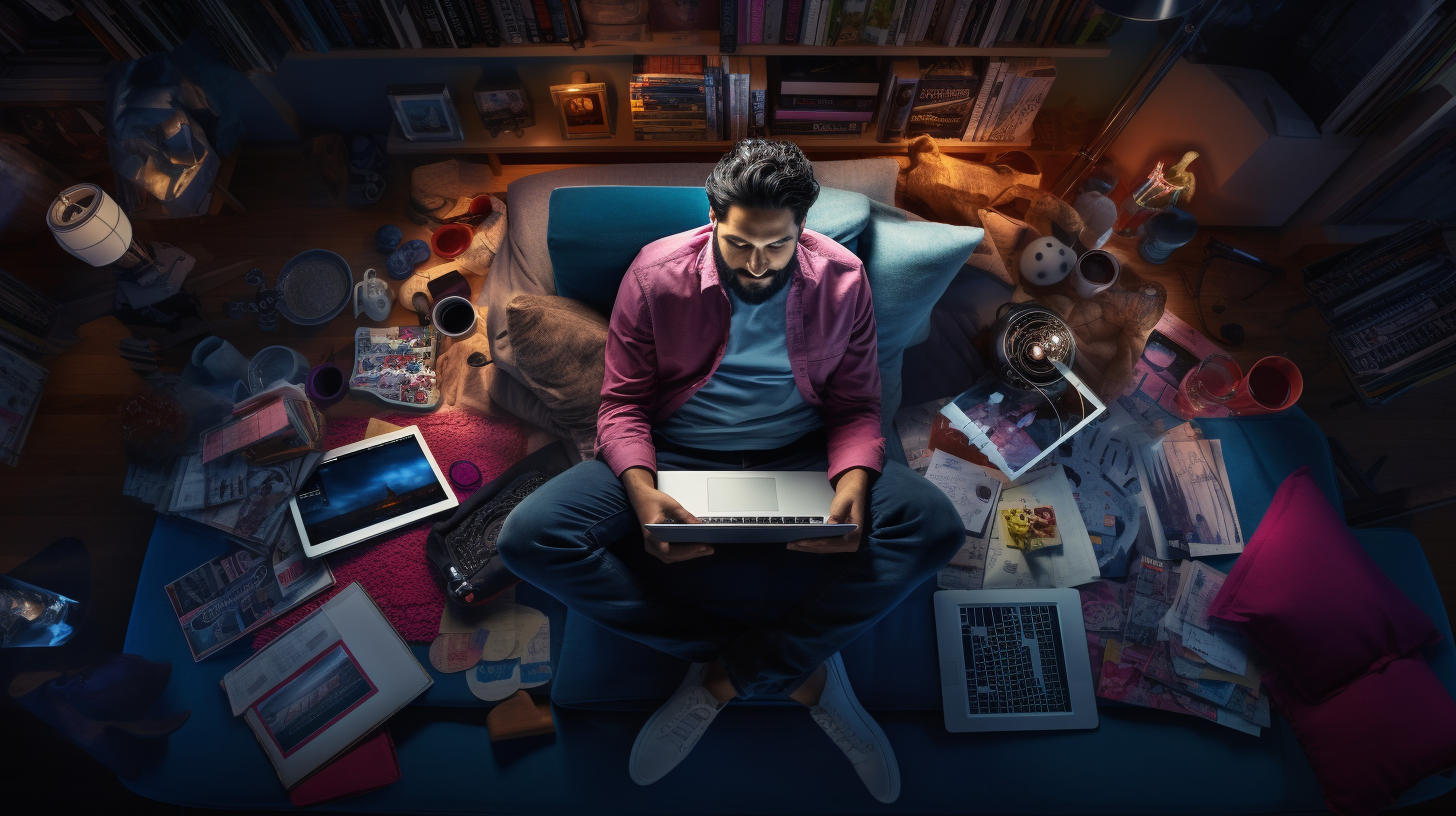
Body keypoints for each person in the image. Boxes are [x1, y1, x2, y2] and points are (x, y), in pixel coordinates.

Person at [498, 140, 962, 804]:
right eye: (739, 243)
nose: (755, 264)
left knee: (936, 525)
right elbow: (622, 404)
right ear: (713, 219)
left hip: (802, 449)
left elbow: (857, 405)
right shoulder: (656, 274)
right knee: (527, 540)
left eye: (775, 246)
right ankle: (779, 670)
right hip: (677, 448)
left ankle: (725, 677)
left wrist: (854, 485)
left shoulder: (843, 277)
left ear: (802, 227)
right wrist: (642, 488)